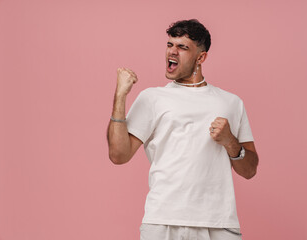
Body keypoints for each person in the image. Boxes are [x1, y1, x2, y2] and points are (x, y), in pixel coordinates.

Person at [107, 19, 259, 240]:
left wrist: (230, 142)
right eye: (170, 45)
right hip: (163, 221)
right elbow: (118, 155)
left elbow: (250, 170)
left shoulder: (231, 103)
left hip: (218, 223)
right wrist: (120, 96)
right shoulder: (152, 98)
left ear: (201, 57)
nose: (173, 51)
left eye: (182, 47)